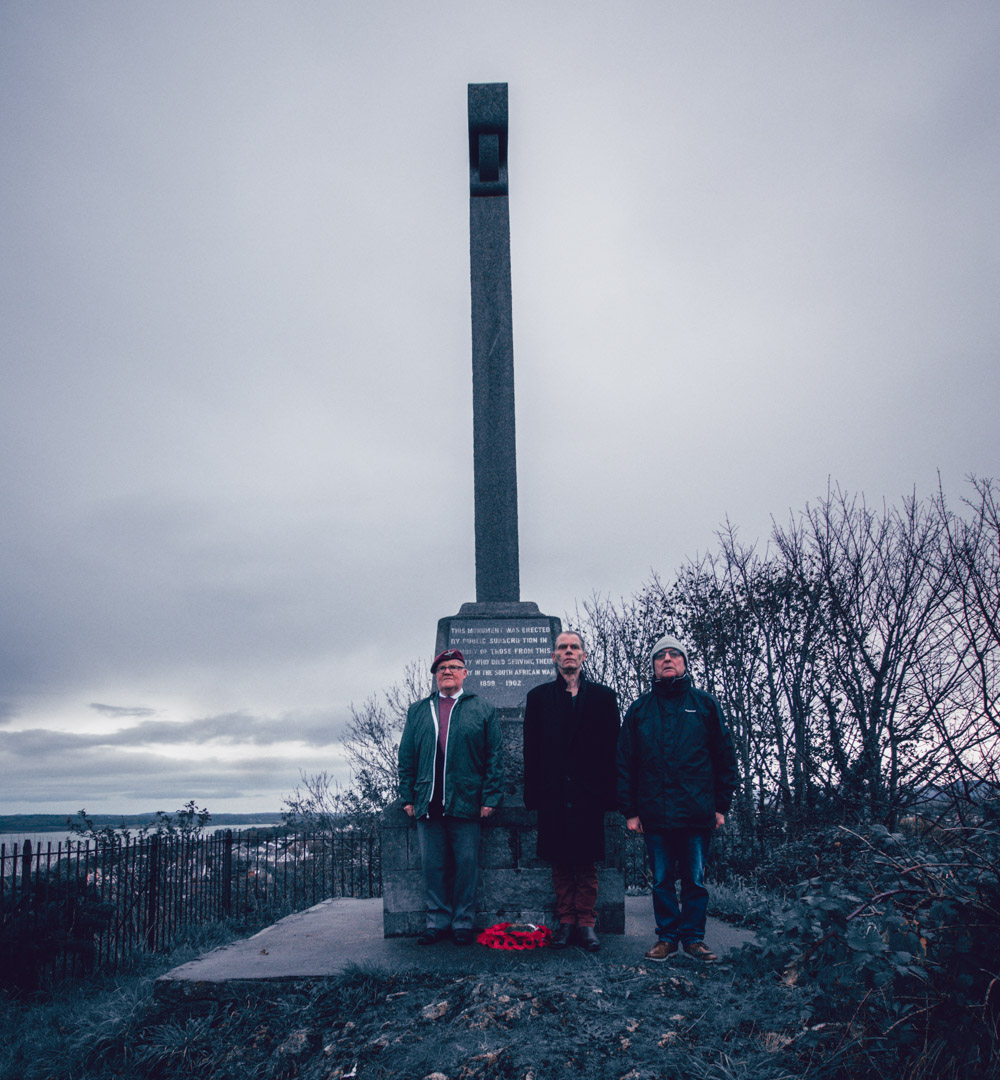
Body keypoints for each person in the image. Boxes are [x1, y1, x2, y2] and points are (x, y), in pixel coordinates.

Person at [617, 634, 738, 962]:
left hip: (697, 813)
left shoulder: (705, 705)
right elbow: (625, 762)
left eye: (674, 654)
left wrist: (721, 806)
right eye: (660, 656)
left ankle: (694, 939)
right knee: (661, 880)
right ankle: (667, 938)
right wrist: (630, 811)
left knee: (695, 881)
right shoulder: (640, 710)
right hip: (654, 814)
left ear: (684, 663)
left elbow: (725, 757)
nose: (667, 659)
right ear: (654, 666)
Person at [397, 648, 504, 945]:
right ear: (435, 675)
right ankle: (436, 922)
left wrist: (490, 797)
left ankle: (462, 923)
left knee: (465, 867)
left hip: (466, 801)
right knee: (433, 867)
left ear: (464, 673)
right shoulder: (419, 710)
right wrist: (407, 797)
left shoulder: (482, 708)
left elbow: (494, 756)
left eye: (454, 667)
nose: (448, 671)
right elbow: (406, 756)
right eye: (442, 667)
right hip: (428, 801)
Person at [523, 631, 620, 951]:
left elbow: (613, 749)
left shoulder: (604, 698)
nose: (568, 652)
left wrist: (610, 794)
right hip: (553, 793)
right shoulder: (538, 698)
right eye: (562, 647)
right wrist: (533, 793)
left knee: (587, 863)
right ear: (554, 656)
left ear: (583, 655)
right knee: (560, 862)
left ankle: (587, 924)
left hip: (589, 795)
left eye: (574, 647)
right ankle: (566, 922)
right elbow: (531, 749)